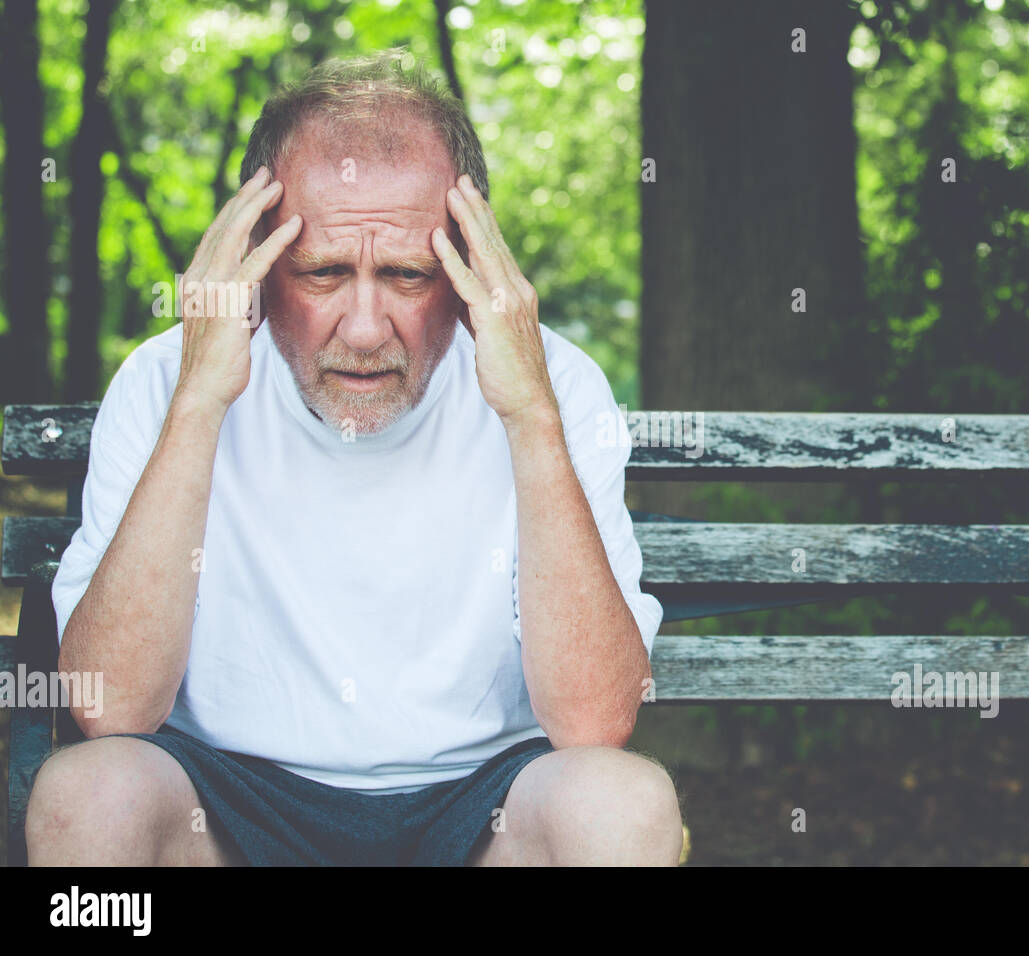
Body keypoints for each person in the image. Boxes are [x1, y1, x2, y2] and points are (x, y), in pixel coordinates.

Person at [24, 50, 681, 866]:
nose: (365, 330)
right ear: (255, 264)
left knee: (623, 804)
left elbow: (595, 723)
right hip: (227, 804)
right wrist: (198, 403)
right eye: (323, 272)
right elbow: (109, 707)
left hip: (483, 808)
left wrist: (530, 417)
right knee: (86, 797)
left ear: (470, 267)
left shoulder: (557, 386)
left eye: (407, 274)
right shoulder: (167, 379)